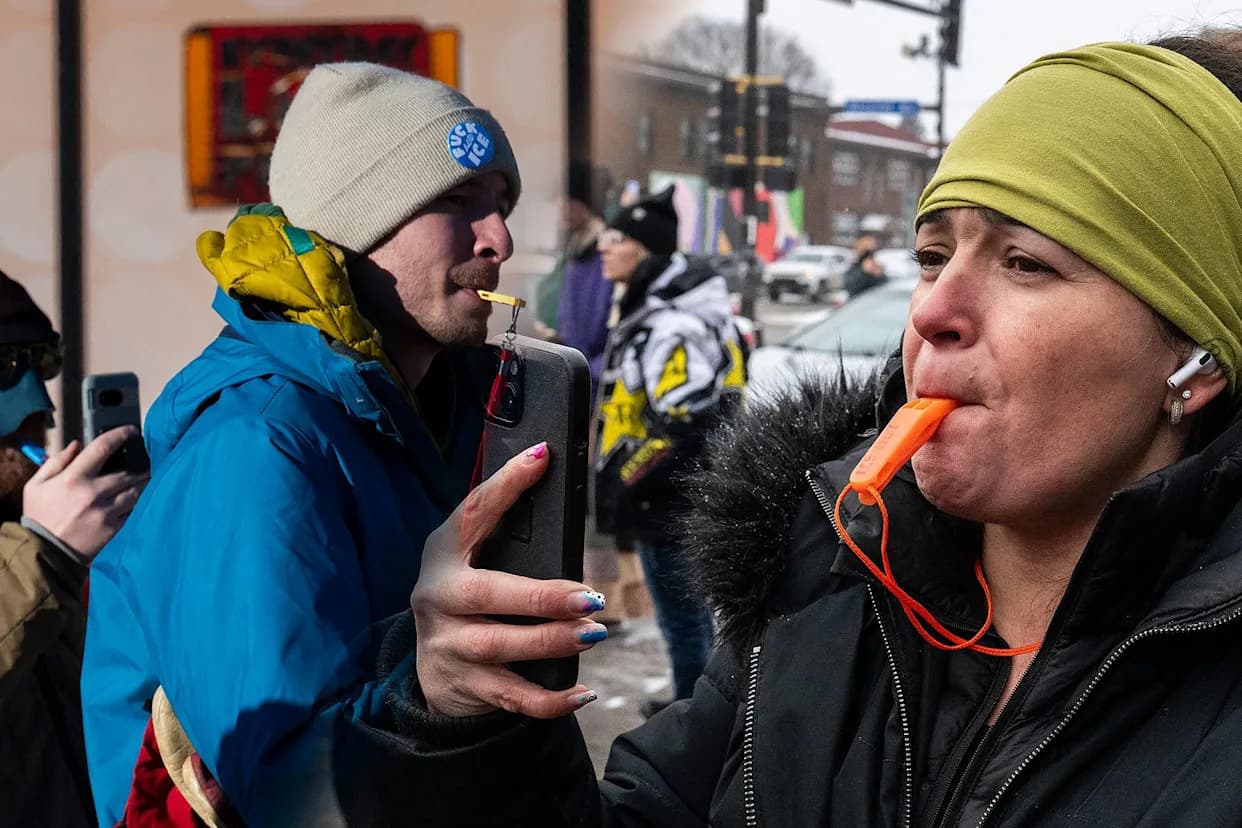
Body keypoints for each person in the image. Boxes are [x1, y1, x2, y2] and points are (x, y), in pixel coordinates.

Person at [394, 29, 1242, 826]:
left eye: (1027, 263)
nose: (933, 310)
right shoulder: (824, 580)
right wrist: (471, 725)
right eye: (933, 255)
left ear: (1197, 361)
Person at [80, 62, 528, 826]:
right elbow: (294, 783)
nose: (501, 240)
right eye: (456, 203)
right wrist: (429, 690)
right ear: (353, 224)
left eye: (501, 204)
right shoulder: (260, 448)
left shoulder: (430, 413)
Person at [592, 184, 747, 717]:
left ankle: (693, 726)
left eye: (617, 238)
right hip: (669, 494)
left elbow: (684, 425)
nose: (603, 247)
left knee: (682, 620)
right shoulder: (662, 313)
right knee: (690, 619)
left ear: (646, 252)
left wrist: (626, 477)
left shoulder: (672, 326)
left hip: (668, 499)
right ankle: (694, 709)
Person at [0, 270, 145, 826]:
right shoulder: (41, 550)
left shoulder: (37, 527)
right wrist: (44, 554)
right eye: (5, 369)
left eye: (43, 363)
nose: (40, 402)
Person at [841, 233, 887, 299]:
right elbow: (850, 287)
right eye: (867, 251)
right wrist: (864, 272)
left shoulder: (876, 267)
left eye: (872, 251)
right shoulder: (854, 268)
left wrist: (878, 274)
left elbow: (884, 287)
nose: (870, 255)